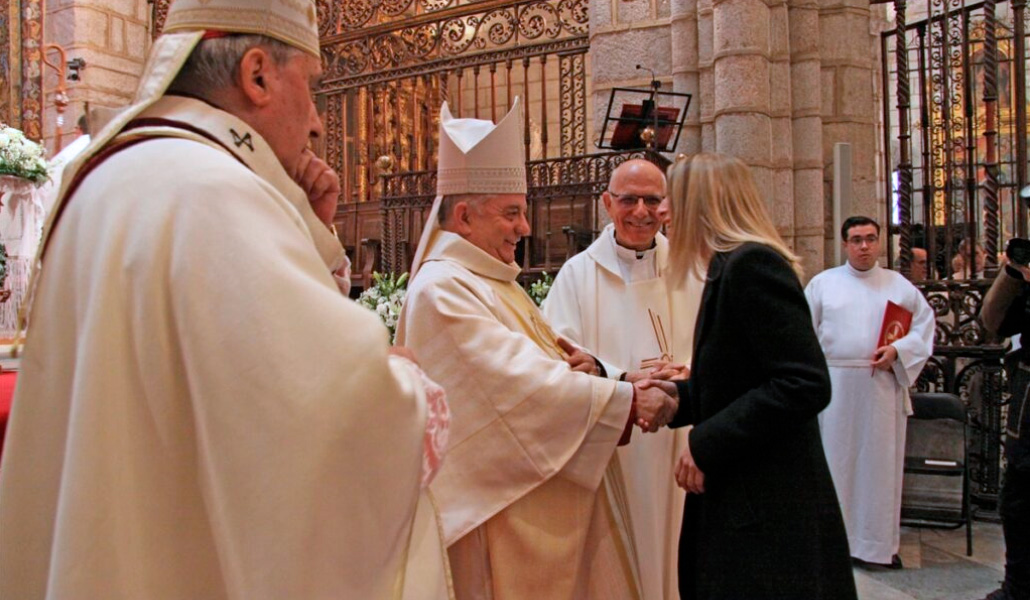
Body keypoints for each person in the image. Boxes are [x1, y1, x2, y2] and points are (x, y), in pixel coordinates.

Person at [0, 0, 452, 597]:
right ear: (258, 75)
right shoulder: (212, 189)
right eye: (312, 87)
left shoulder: (113, 176)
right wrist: (407, 387)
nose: (317, 121)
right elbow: (329, 418)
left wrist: (306, 227)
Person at [396, 100, 679, 600]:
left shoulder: (488, 279)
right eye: (512, 213)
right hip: (500, 515)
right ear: (463, 216)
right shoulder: (442, 289)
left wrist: (613, 380)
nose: (525, 228)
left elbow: (552, 360)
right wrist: (627, 402)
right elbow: (516, 386)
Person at [644, 153, 856, 599]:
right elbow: (738, 381)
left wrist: (705, 441)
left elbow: (803, 383)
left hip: (768, 502)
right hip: (746, 492)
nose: (662, 212)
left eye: (671, 199)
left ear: (704, 203)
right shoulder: (726, 269)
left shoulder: (752, 266)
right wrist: (678, 399)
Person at [542, 158, 703, 600]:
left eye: (653, 200)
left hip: (679, 436)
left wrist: (687, 371)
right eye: (628, 200)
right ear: (606, 203)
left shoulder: (692, 267)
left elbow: (717, 344)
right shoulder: (577, 275)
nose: (641, 211)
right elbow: (559, 357)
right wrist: (621, 378)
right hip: (614, 439)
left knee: (675, 551)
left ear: (668, 206)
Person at [805, 215, 935, 568]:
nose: (865, 246)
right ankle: (834, 546)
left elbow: (923, 330)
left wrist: (897, 352)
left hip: (880, 388)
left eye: (871, 239)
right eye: (857, 239)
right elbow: (803, 335)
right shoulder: (822, 285)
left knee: (878, 469)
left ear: (879, 242)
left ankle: (875, 546)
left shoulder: (900, 288)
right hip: (835, 392)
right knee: (835, 465)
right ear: (845, 243)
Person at [979, 258, 1030, 600]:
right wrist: (1012, 275)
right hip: (1027, 413)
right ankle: (1018, 588)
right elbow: (993, 321)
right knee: (1018, 502)